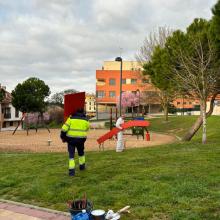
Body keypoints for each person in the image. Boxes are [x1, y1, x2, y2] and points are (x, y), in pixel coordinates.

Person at [60, 109, 90, 176]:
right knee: (81, 153)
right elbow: (87, 128)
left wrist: (63, 138)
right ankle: (82, 167)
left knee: (71, 156)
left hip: (71, 140)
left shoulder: (70, 118)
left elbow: (64, 129)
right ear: (83, 112)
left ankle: (71, 172)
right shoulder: (86, 120)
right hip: (81, 140)